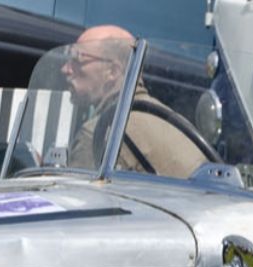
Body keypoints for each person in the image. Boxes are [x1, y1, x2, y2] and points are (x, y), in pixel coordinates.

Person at [62, 25, 207, 178]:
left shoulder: (97, 135)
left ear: (113, 72)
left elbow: (76, 192)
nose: (65, 69)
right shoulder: (178, 125)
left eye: (77, 59)